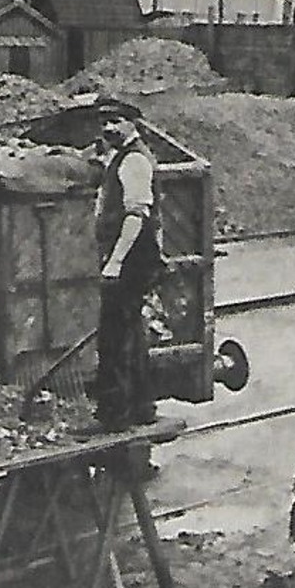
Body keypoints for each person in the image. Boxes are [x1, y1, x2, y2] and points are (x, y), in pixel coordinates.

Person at [89, 97, 164, 432]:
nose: (108, 128)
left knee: (114, 337)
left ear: (133, 123)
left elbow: (136, 215)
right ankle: (142, 406)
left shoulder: (135, 161)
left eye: (116, 121)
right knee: (132, 333)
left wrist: (115, 261)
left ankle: (113, 415)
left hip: (131, 259)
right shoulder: (123, 156)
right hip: (137, 259)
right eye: (104, 121)